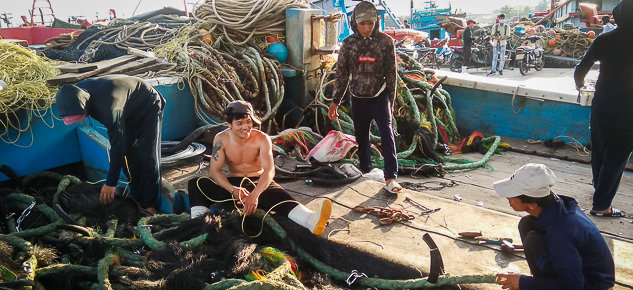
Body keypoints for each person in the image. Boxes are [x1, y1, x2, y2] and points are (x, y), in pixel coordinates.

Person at [187, 101, 332, 235]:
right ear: (229, 124)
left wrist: (255, 195)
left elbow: (270, 170)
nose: (245, 127)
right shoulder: (220, 139)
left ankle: (310, 220)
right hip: (234, 187)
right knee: (196, 184)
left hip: (257, 183)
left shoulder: (262, 139)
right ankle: (199, 223)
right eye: (239, 123)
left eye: (248, 122)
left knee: (281, 197)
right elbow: (214, 171)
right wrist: (233, 190)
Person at [575, 0, 633, 217]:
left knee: (600, 151)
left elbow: (581, 69)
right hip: (630, 111)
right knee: (617, 157)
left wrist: (580, 85)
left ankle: (599, 188)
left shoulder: (605, 39)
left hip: (602, 107)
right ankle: (602, 205)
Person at [494, 164, 615, 290]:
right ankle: (542, 281)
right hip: (581, 268)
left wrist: (523, 283)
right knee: (527, 224)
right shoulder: (556, 205)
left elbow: (573, 284)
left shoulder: (560, 233)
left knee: (533, 240)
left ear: (533, 204)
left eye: (512, 196)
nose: (508, 199)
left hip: (588, 285)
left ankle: (547, 289)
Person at [56, 75, 164, 215]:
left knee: (147, 156)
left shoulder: (108, 108)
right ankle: (137, 196)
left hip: (147, 104)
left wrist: (110, 183)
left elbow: (118, 146)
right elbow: (123, 150)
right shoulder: (75, 93)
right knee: (129, 158)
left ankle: (151, 205)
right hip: (126, 108)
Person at [328, 1, 402, 193]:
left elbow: (392, 73)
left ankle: (390, 177)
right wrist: (334, 103)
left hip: (380, 96)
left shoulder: (386, 42)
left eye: (370, 23)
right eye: (363, 24)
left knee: (387, 134)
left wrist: (391, 100)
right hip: (357, 97)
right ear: (355, 23)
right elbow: (342, 75)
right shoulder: (348, 44)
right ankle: (365, 170)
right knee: (361, 137)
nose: (367, 28)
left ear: (376, 22)